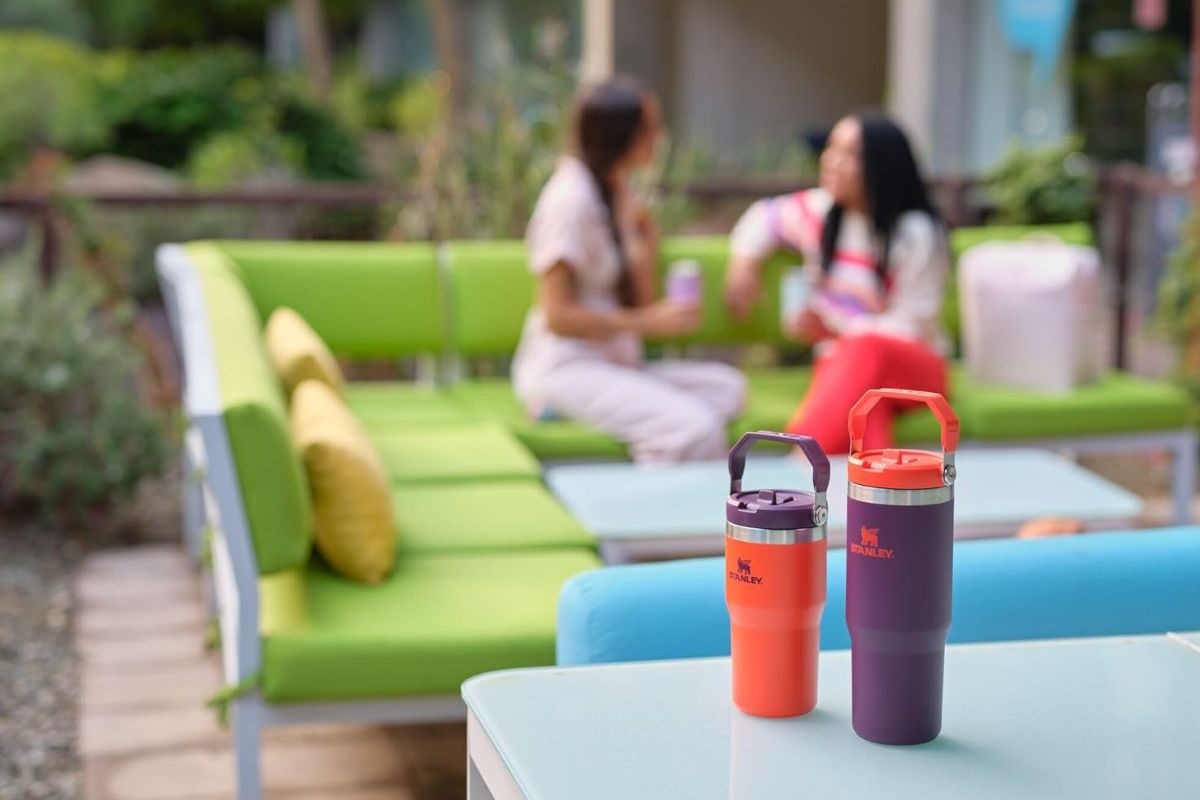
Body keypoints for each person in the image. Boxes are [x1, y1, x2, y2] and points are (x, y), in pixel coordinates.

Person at [512, 77, 746, 462]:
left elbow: (641, 298)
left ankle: (633, 430)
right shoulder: (570, 201)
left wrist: (643, 248)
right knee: (696, 429)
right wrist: (646, 323)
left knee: (729, 389)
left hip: (616, 361)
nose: (658, 137)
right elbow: (557, 317)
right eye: (649, 128)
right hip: (567, 366)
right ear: (620, 136)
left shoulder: (616, 189)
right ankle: (650, 510)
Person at [724, 113, 949, 454]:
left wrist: (833, 330)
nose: (831, 161)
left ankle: (801, 464)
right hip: (851, 371)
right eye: (831, 149)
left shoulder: (916, 232)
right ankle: (869, 503)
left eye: (849, 154)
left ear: (881, 166)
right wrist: (744, 264)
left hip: (914, 371)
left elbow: (911, 326)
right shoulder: (820, 211)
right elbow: (762, 217)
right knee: (866, 415)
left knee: (864, 349)